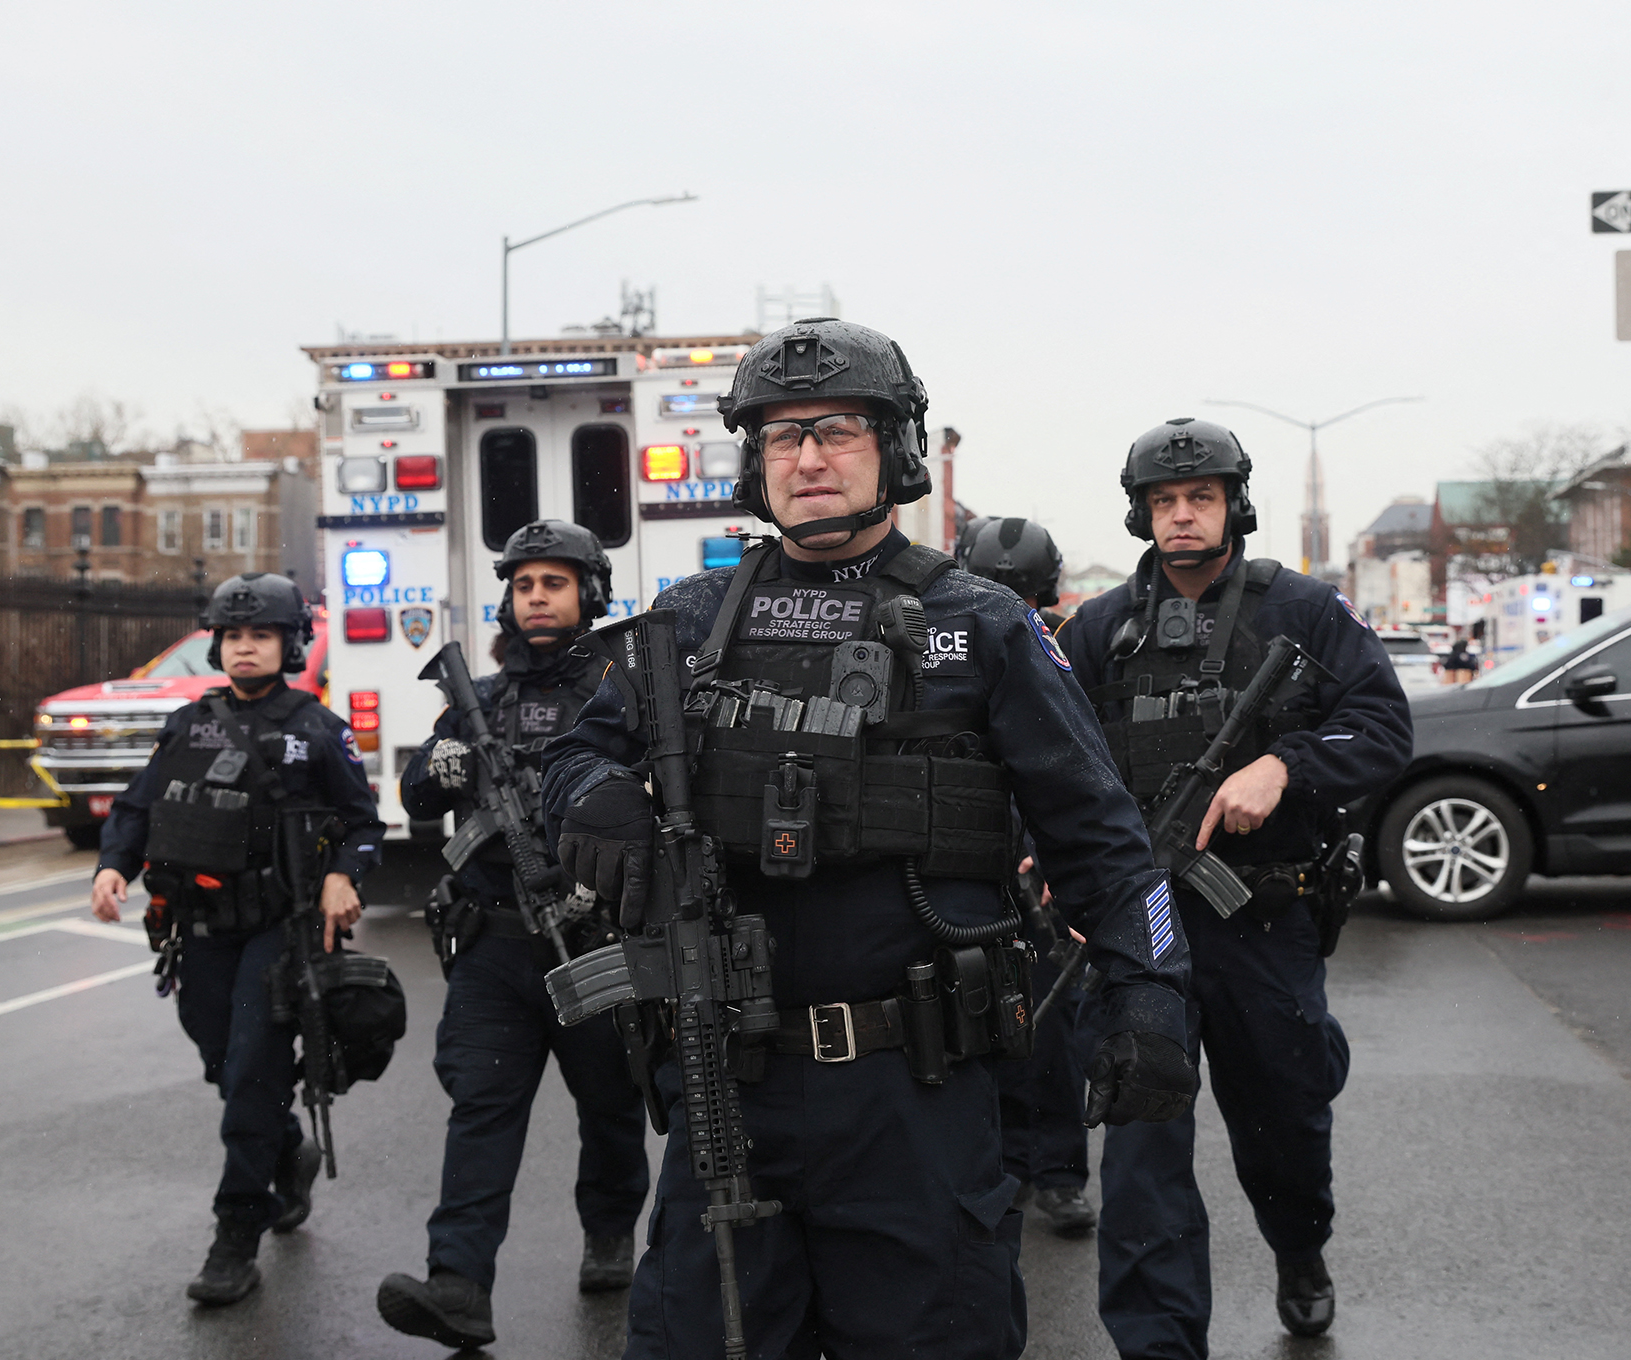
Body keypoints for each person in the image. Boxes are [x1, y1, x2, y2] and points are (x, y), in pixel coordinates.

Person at [542, 319, 1199, 1360]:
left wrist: (1153, 994)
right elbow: (568, 763)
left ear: (893, 447)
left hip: (916, 1101)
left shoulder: (980, 624)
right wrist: (595, 793)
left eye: (837, 429)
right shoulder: (691, 619)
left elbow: (1107, 843)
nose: (806, 456)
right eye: (780, 435)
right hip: (728, 1083)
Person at [1059, 418, 1412, 1354]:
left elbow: (1381, 725)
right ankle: (1158, 1340)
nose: (1182, 517)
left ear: (1234, 505)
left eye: (1200, 499)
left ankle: (1301, 1251)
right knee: (1141, 1147)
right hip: (1143, 924)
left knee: (1283, 1125)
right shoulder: (1097, 630)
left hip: (1262, 917)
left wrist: (1285, 767)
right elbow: (1049, 763)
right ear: (1142, 514)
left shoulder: (1303, 611)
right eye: (1165, 502)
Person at [376, 521, 652, 1351]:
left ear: (589, 595)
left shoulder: (618, 696)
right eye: (525, 583)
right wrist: (444, 766)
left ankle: (608, 1230)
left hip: (594, 940)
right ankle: (458, 1284)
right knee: (482, 1112)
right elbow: (417, 792)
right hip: (494, 947)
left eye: (555, 583)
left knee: (609, 1107)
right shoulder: (481, 702)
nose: (537, 596)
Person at [90, 572, 383, 1306]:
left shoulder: (316, 727)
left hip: (278, 930)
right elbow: (139, 803)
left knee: (252, 1070)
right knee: (222, 1058)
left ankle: (235, 1235)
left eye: (260, 635)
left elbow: (364, 823)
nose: (244, 647)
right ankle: (286, 1148)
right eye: (233, 636)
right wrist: (111, 867)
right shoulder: (191, 722)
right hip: (199, 931)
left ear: (289, 645)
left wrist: (344, 876)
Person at [960, 515, 1096, 1238]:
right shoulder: (935, 649)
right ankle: (1006, 1166)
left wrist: (1052, 862)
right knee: (978, 1033)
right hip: (970, 873)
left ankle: (1061, 1175)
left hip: (1038, 880)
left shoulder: (1061, 650)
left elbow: (1079, 775)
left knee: (1050, 1039)